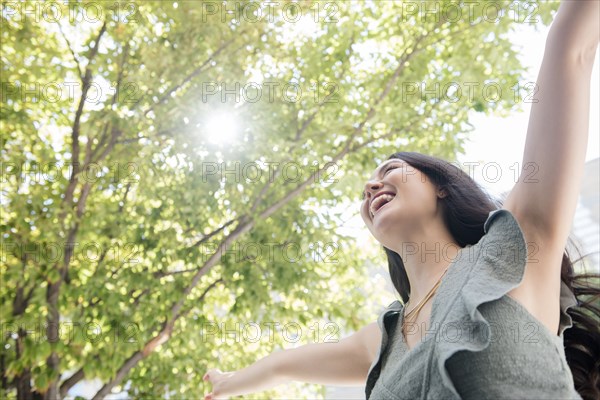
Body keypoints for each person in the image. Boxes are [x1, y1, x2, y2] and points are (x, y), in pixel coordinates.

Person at [204, 0, 600, 399]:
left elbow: (571, 50)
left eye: (389, 171)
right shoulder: (382, 341)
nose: (371, 187)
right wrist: (231, 381)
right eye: (366, 189)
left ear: (441, 185)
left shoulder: (516, 247)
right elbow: (284, 364)